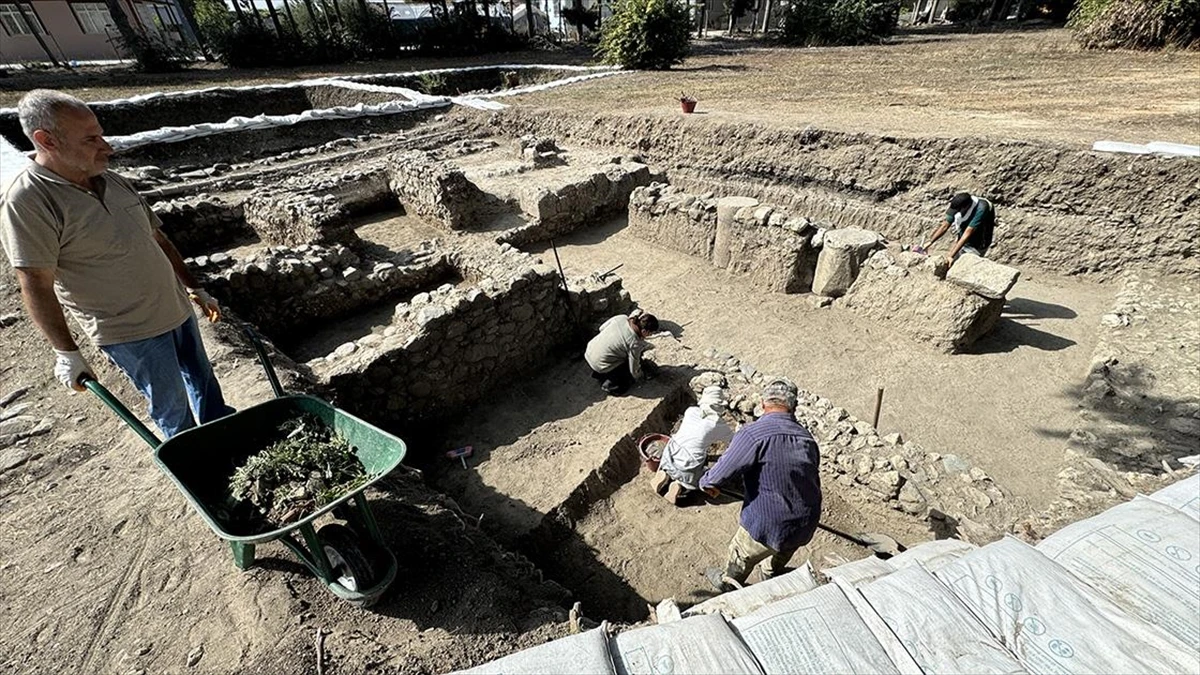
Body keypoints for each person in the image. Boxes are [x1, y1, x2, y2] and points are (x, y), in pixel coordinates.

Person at [0, 89, 234, 439]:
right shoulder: (29, 200)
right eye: (91, 138)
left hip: (176, 309)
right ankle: (200, 471)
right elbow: (35, 281)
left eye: (101, 134)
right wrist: (66, 352)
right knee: (173, 410)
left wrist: (193, 287)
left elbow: (157, 239)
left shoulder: (111, 179)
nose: (106, 146)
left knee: (204, 384)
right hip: (132, 332)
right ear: (46, 140)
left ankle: (229, 441)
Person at [700, 378, 821, 591]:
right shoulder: (807, 439)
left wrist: (706, 483)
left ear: (763, 404)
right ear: (793, 408)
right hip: (806, 521)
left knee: (741, 554)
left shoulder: (752, 434)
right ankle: (771, 575)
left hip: (767, 523)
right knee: (781, 553)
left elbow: (715, 477)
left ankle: (729, 584)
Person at [651, 385, 734, 504]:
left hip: (669, 455)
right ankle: (680, 485)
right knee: (700, 477)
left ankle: (664, 473)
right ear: (720, 406)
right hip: (687, 468)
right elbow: (735, 440)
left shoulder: (691, 411)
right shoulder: (717, 424)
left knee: (686, 448)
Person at [584, 310, 659, 395]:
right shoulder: (635, 343)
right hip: (600, 365)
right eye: (650, 334)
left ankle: (599, 373)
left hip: (589, 351)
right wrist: (641, 375)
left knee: (618, 353)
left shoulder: (622, 318)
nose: (650, 336)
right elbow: (634, 371)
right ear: (644, 331)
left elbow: (601, 328)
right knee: (627, 376)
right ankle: (609, 384)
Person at [920, 191, 996, 266]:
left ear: (965, 208)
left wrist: (950, 255)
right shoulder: (958, 204)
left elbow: (967, 233)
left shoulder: (982, 208)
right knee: (953, 260)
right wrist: (930, 242)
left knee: (965, 267)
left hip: (978, 244)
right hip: (963, 237)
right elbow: (945, 226)